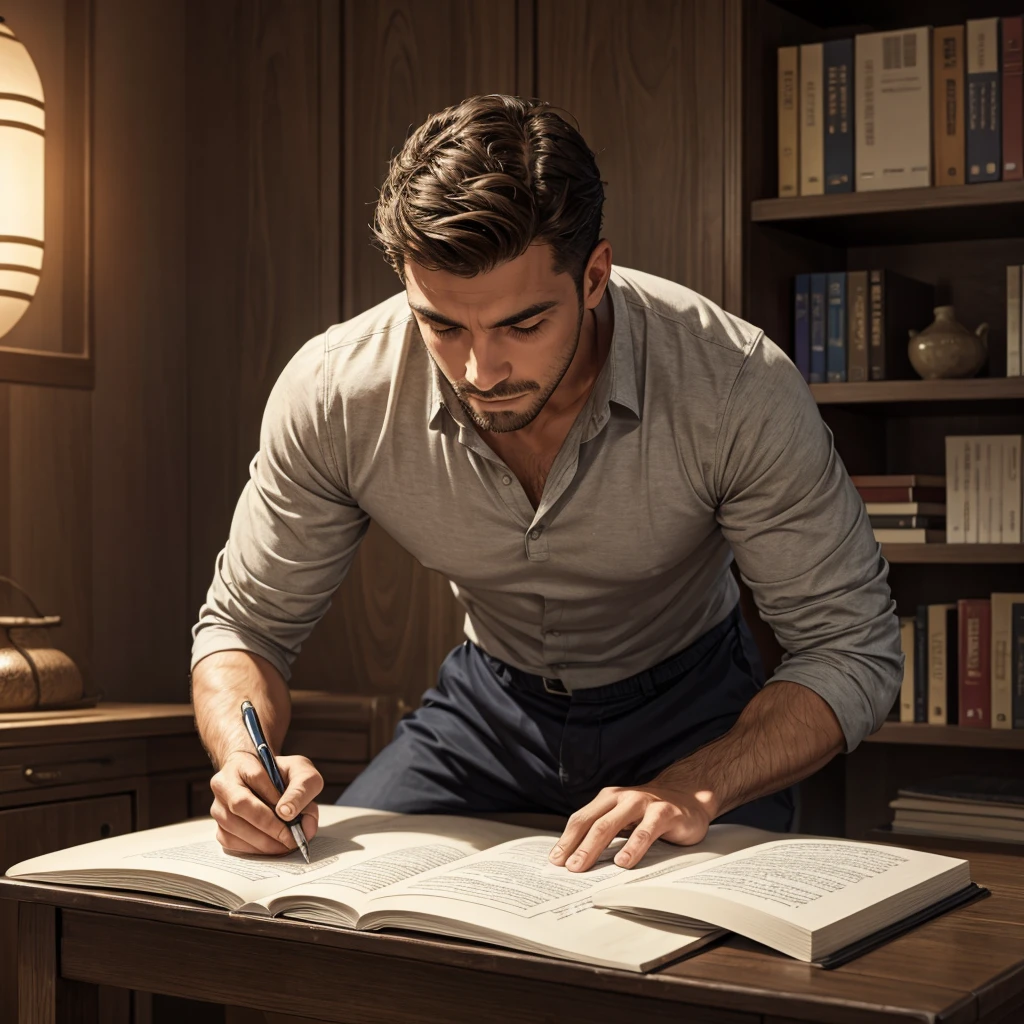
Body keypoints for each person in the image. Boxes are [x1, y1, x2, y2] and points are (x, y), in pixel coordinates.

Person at [190, 94, 901, 874]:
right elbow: (245, 629)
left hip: (695, 709)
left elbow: (850, 647)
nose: (477, 372)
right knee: (343, 915)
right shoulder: (334, 392)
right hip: (486, 709)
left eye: (522, 326)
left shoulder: (733, 385)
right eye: (442, 325)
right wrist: (243, 762)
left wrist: (696, 787)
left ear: (595, 275)